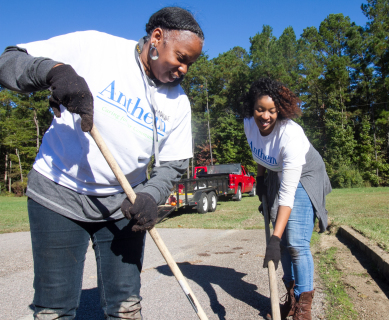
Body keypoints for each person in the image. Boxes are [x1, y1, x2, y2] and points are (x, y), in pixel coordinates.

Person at [0, 7, 203, 319]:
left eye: (190, 62)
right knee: (53, 309)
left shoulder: (178, 104)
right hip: (57, 195)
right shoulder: (95, 47)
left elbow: (173, 164)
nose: (184, 69)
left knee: (125, 309)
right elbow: (8, 61)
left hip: (124, 205)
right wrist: (54, 72)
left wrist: (150, 196)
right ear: (156, 38)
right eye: (181, 57)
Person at [242, 78, 332, 320]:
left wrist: (273, 239)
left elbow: (287, 194)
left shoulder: (290, 135)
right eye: (260, 109)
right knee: (282, 244)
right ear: (252, 108)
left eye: (272, 110)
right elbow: (260, 152)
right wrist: (260, 179)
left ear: (279, 110)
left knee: (295, 242)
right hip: (276, 172)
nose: (265, 116)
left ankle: (303, 309)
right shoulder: (249, 124)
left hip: (304, 174)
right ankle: (291, 301)